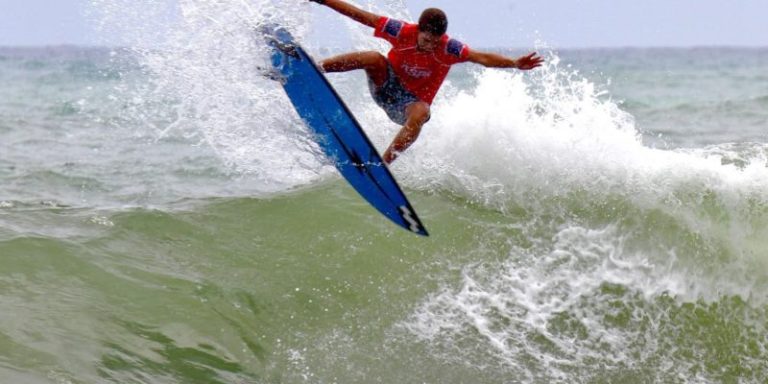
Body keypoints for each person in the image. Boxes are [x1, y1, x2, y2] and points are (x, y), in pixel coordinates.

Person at [308, 0, 543, 164]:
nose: (430, 45)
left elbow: (482, 57)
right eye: (426, 39)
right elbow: (362, 16)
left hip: (407, 106)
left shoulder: (450, 49)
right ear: (418, 30)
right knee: (372, 57)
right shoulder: (401, 31)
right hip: (384, 86)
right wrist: (325, 1)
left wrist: (514, 63)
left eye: (435, 41)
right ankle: (315, 69)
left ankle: (383, 165)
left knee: (421, 111)